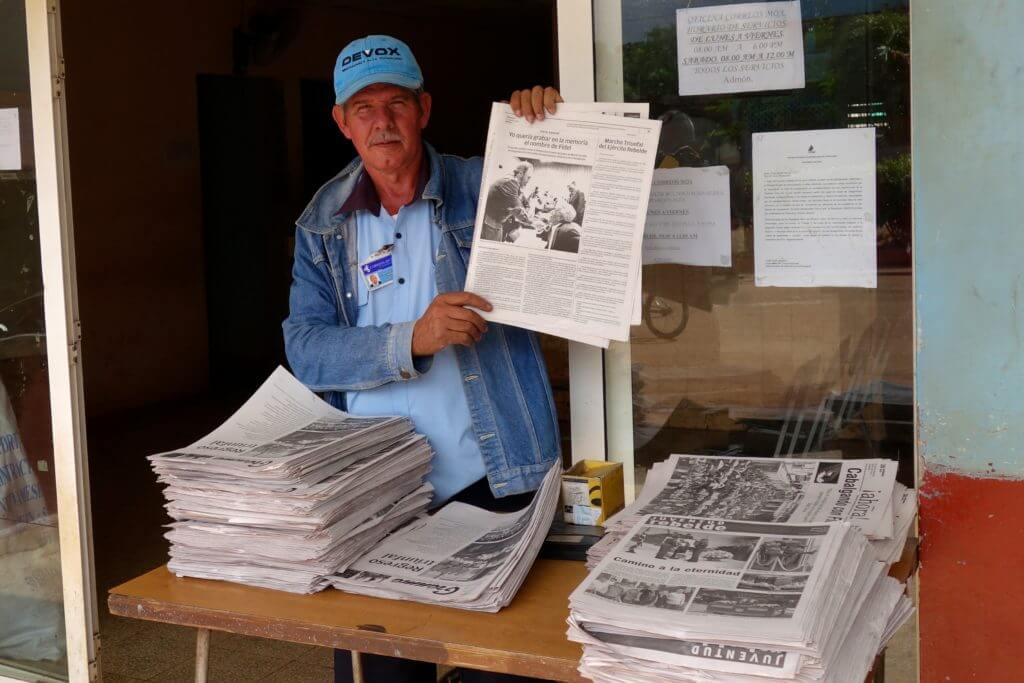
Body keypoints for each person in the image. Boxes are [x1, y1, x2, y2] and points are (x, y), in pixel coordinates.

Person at [282, 34, 563, 683]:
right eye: (364, 108)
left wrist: (546, 135)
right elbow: (306, 348)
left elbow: (576, 244)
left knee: (499, 671)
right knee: (382, 674)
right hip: (374, 498)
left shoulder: (483, 183)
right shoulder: (322, 223)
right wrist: (411, 337)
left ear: (425, 109)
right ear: (342, 123)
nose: (382, 120)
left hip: (491, 482)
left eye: (397, 102)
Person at [482, 161, 534, 242]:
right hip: (491, 223)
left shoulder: (510, 181)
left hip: (494, 222)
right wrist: (533, 222)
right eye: (528, 177)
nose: (528, 181)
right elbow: (518, 210)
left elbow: (520, 203)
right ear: (520, 173)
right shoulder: (510, 182)